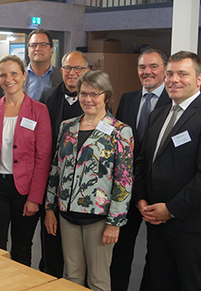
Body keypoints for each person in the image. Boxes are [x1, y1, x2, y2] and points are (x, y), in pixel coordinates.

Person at [134, 51, 201, 291]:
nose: (173, 79)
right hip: (156, 222)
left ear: (199, 79)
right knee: (160, 283)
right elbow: (143, 162)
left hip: (193, 227)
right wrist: (141, 198)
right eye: (169, 74)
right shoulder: (158, 115)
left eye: (182, 74)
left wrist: (170, 210)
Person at [45, 70, 133, 290]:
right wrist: (49, 208)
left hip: (99, 219)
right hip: (66, 215)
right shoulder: (67, 126)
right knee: (71, 276)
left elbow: (124, 181)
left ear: (106, 96)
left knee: (98, 280)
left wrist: (115, 222)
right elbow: (56, 168)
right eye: (84, 94)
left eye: (95, 94)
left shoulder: (120, 131)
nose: (88, 99)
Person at [0, 55, 52, 266]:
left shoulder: (39, 110)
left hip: (25, 190)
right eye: (3, 74)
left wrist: (35, 197)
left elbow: (43, 157)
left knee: (22, 247)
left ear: (24, 76)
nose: (9, 79)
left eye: (14, 73)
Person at [111, 48, 171, 291]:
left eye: (153, 66)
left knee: (156, 255)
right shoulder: (128, 99)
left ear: (165, 70)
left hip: (159, 191)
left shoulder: (174, 100)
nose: (147, 72)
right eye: (142, 67)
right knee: (121, 250)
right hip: (127, 189)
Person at [38, 50, 88, 277]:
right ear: (61, 70)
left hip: (81, 183)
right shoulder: (47, 96)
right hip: (51, 179)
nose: (72, 73)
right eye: (68, 68)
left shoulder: (94, 99)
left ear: (87, 71)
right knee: (50, 240)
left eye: (78, 69)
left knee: (79, 252)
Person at [25, 29, 62, 100]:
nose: (38, 48)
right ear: (28, 50)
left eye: (43, 45)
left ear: (51, 50)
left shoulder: (62, 77)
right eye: (33, 45)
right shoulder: (17, 76)